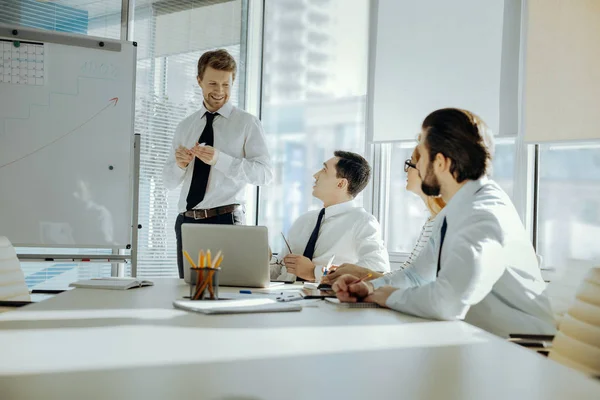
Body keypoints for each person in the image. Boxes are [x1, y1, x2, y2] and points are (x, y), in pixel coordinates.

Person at [333, 108, 556, 337]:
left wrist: (384, 295)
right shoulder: (458, 207)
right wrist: (368, 287)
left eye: (421, 155)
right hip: (482, 338)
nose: (417, 166)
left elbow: (447, 302)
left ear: (440, 162)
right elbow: (415, 276)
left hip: (523, 347)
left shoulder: (483, 214)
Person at [163, 49, 273, 278]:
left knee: (226, 292)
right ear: (199, 81)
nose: (220, 91)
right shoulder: (185, 126)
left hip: (225, 221)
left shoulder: (247, 123)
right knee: (189, 292)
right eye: (213, 83)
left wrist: (219, 160)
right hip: (186, 223)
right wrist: (180, 165)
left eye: (226, 84)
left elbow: (264, 174)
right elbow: (169, 182)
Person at [322, 147, 445, 283]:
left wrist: (361, 273)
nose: (406, 170)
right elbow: (407, 277)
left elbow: (414, 283)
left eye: (411, 164)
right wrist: (359, 275)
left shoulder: (444, 222)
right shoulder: (431, 222)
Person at [271, 151, 390, 282]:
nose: (315, 175)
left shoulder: (362, 221)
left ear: (341, 184)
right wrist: (264, 260)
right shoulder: (303, 221)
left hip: (320, 299)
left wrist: (314, 272)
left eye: (324, 170)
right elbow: (277, 271)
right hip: (279, 295)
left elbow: (377, 268)